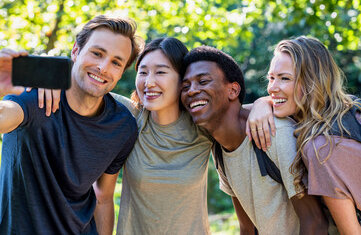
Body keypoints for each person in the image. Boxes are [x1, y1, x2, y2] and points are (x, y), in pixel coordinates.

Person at [36, 37, 213, 234]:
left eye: (161, 72)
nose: (149, 82)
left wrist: (256, 106)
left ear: (182, 79)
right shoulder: (128, 117)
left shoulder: (203, 125)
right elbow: (83, 83)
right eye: (143, 72)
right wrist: (48, 74)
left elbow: (239, 115)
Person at [0, 15, 143, 235]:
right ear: (75, 51)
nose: (103, 68)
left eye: (116, 62)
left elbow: (103, 198)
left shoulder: (122, 126)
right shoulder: (34, 96)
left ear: (122, 72)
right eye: (97, 53)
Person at [180, 45, 328, 234]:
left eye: (203, 81)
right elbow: (248, 227)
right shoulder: (219, 149)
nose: (192, 91)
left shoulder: (275, 132)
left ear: (233, 90)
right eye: (185, 86)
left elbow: (315, 222)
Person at [246, 36, 361, 234]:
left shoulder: (323, 147)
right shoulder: (350, 110)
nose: (272, 88)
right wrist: (260, 103)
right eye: (271, 78)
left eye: (285, 78)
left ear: (312, 82)